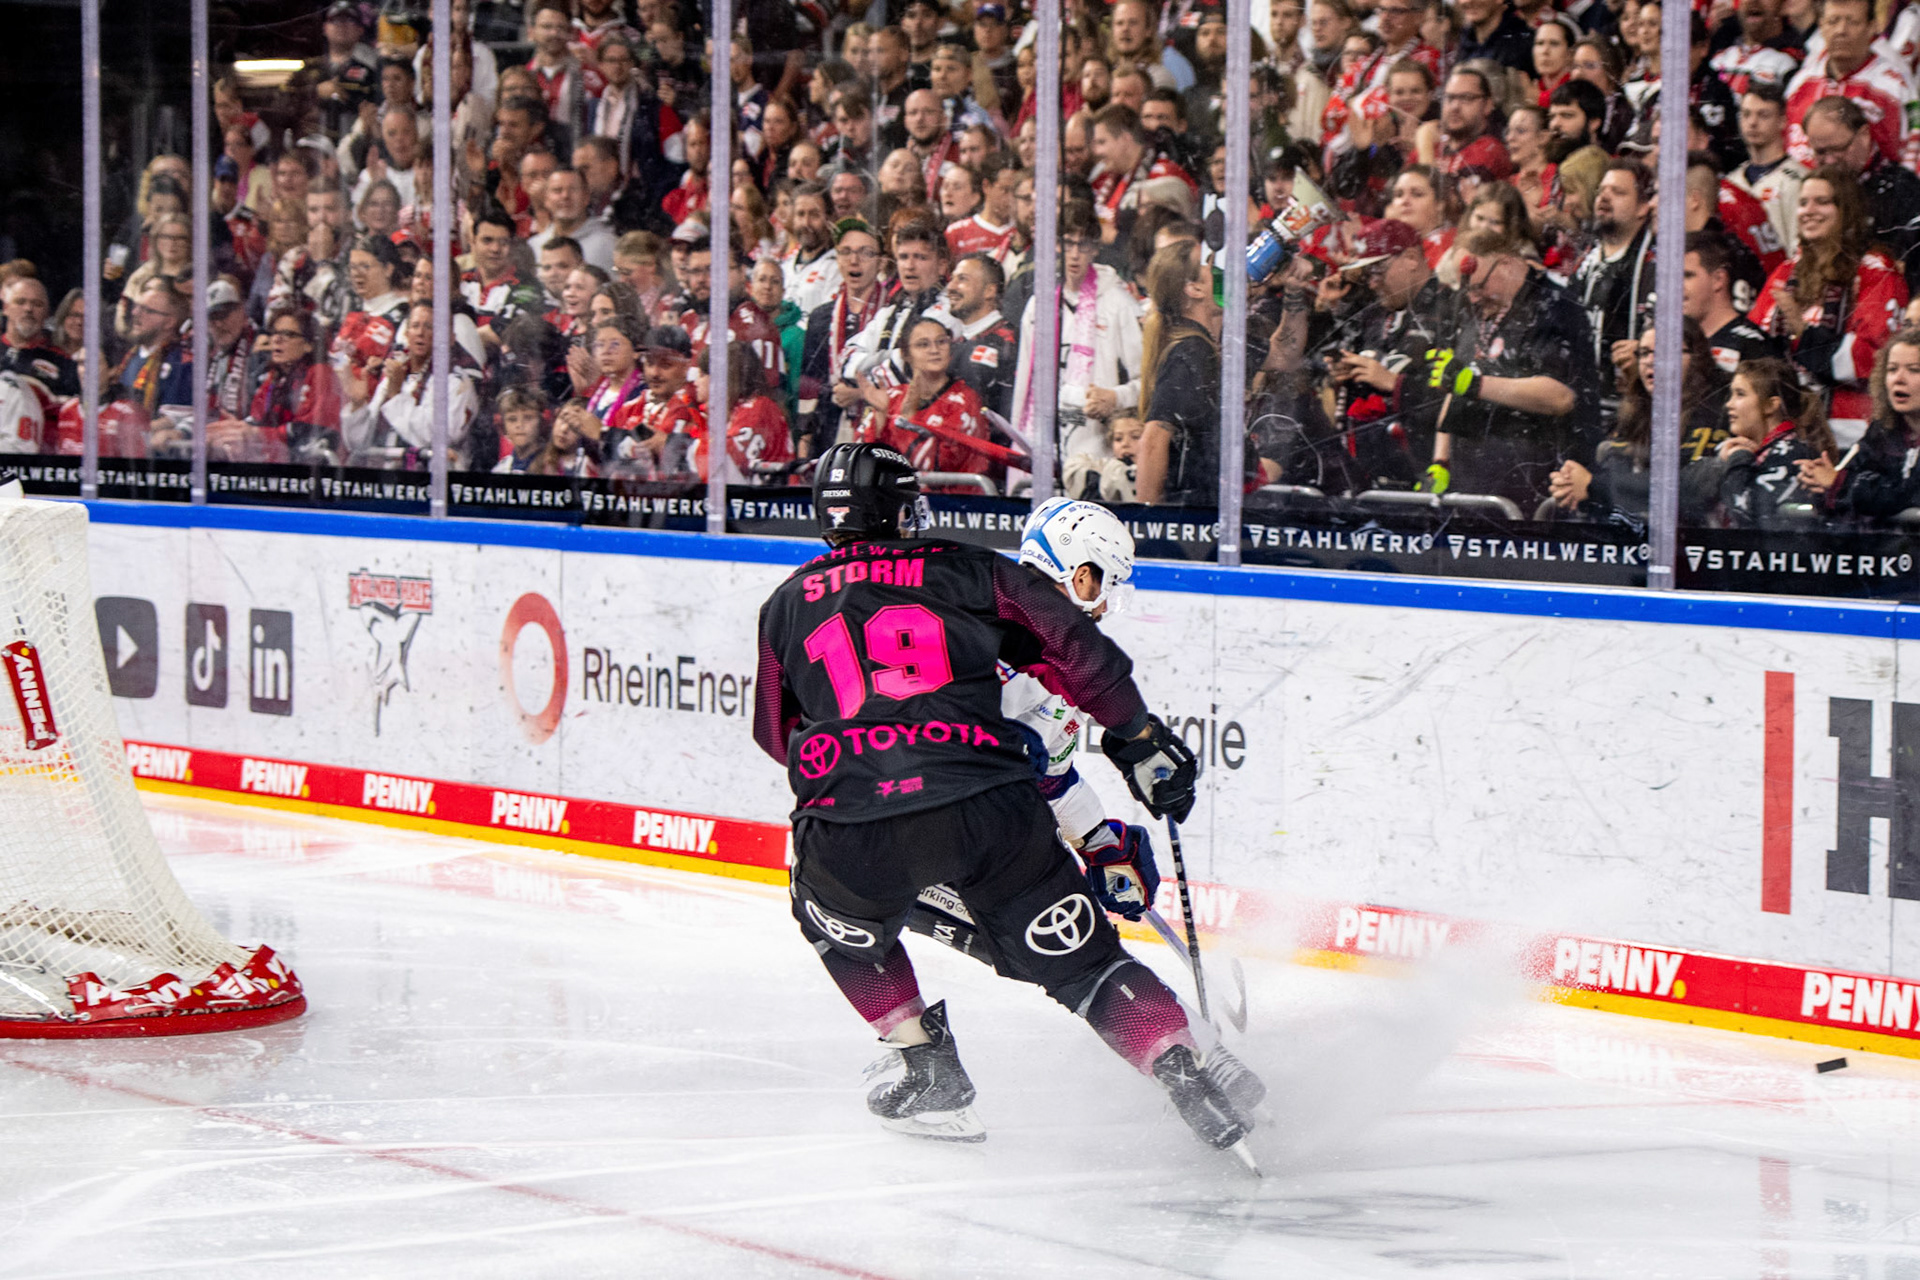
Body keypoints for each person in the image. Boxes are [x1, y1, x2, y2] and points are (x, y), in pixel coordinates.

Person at [751, 441, 1254, 1159]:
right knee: (1083, 965)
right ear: (905, 510)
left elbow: (775, 732)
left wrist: (1098, 837)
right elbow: (1076, 668)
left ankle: (926, 1068)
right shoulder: (968, 572)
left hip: (858, 824)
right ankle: (1183, 1063)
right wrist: (1135, 740)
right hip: (992, 816)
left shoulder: (782, 605)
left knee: (829, 909)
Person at [1749, 166, 1910, 448]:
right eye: (1803, 202)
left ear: (1846, 211)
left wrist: (1802, 331)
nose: (1809, 210)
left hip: (1852, 436)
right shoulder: (1785, 273)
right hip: (1789, 433)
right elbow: (1753, 352)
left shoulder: (1875, 271)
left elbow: (1871, 359)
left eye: (1822, 202)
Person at [1011, 202, 1143, 465]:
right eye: (1068, 244)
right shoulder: (1040, 305)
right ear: (1057, 246)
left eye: (1083, 246)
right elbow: (1024, 382)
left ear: (1095, 248)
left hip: (1099, 452)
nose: (1074, 254)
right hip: (1043, 443)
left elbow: (1146, 382)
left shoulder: (1118, 304)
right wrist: (1019, 439)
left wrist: (1115, 397)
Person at [1796, 326, 1920, 517]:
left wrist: (1838, 482)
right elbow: (1850, 471)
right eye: (1892, 369)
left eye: (1914, 370)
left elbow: (1906, 497)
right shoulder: (1882, 430)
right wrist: (1819, 478)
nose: (1898, 379)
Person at [1138, 240, 1223, 506]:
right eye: (1205, 265)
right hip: (1193, 514)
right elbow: (1153, 439)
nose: (1215, 269)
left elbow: (1284, 358)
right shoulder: (1191, 352)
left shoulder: (1197, 343)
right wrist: (1150, 523)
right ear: (1193, 288)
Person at [1704, 357, 1836, 526]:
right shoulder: (1731, 449)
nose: (1729, 404)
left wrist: (1738, 460)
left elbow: (1748, 515)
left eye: (1740, 394)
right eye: (1731, 394)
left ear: (1770, 405)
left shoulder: (1795, 457)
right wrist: (1719, 463)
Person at [210, 305, 340, 464]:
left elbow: (313, 429)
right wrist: (238, 427)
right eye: (275, 333)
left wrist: (256, 433)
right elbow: (258, 420)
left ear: (308, 345)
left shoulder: (321, 373)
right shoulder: (274, 377)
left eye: (288, 334)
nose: (277, 339)